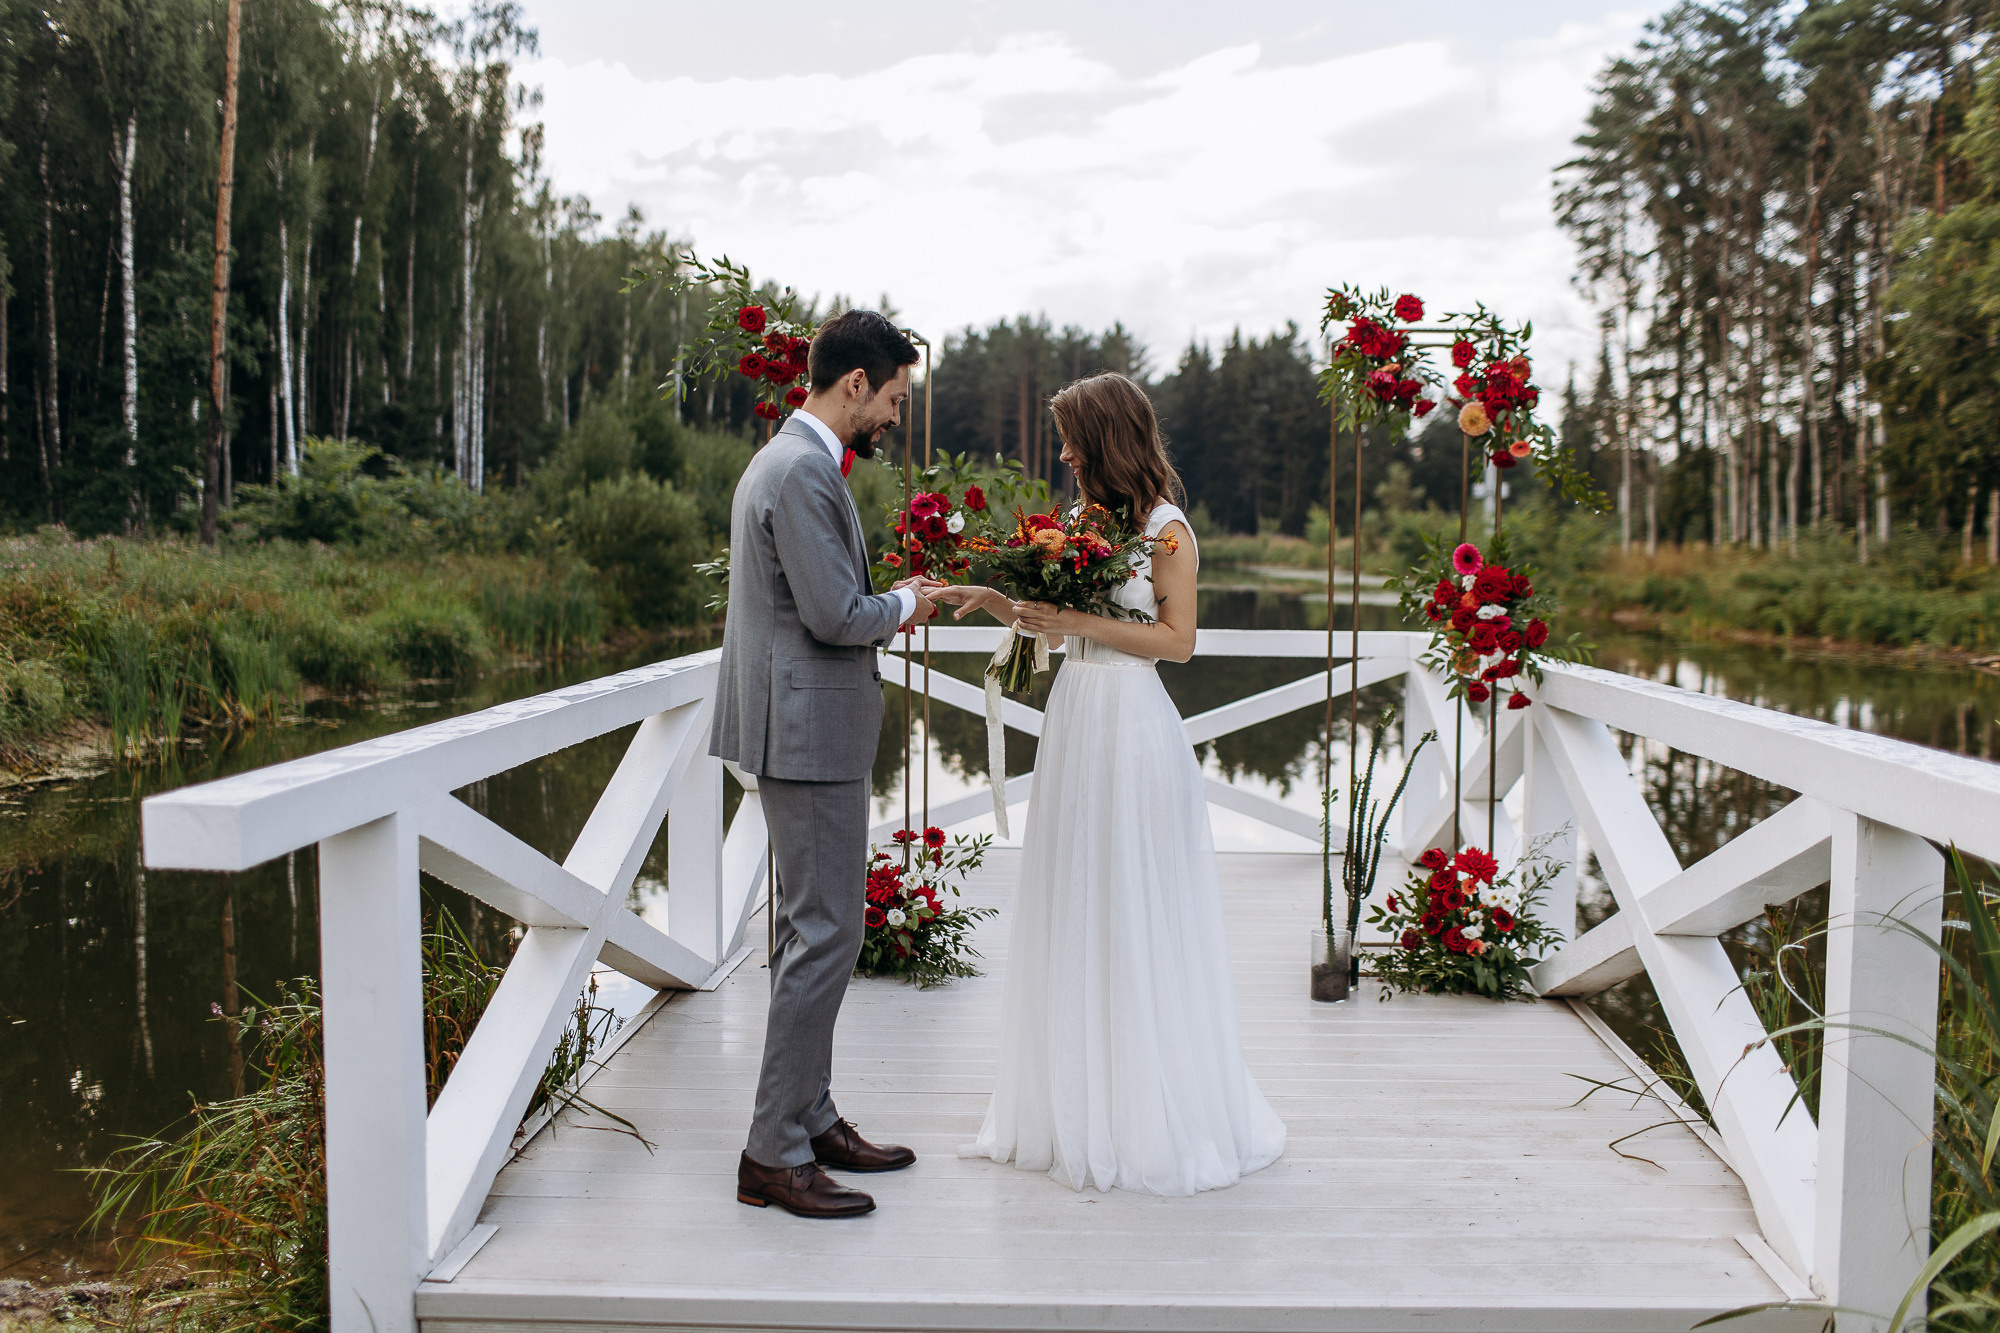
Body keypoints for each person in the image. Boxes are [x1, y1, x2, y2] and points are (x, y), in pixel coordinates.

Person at [935, 371, 1287, 1196]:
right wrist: (990, 595)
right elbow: (1048, 621)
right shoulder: (1083, 526)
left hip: (1130, 727)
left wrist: (1077, 623)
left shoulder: (1167, 532)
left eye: (1072, 439)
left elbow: (1178, 640)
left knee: (1131, 900)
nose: (1062, 453)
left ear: (1109, 441)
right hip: (1076, 719)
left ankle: (1144, 1104)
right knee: (1074, 898)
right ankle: (1071, 1100)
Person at [709, 309, 945, 1219]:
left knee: (812, 931)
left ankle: (808, 1116)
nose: (892, 416)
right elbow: (836, 614)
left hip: (801, 729)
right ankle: (773, 1153)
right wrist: (908, 603)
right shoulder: (803, 470)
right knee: (825, 936)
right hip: (807, 738)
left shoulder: (788, 461)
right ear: (855, 382)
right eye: (891, 397)